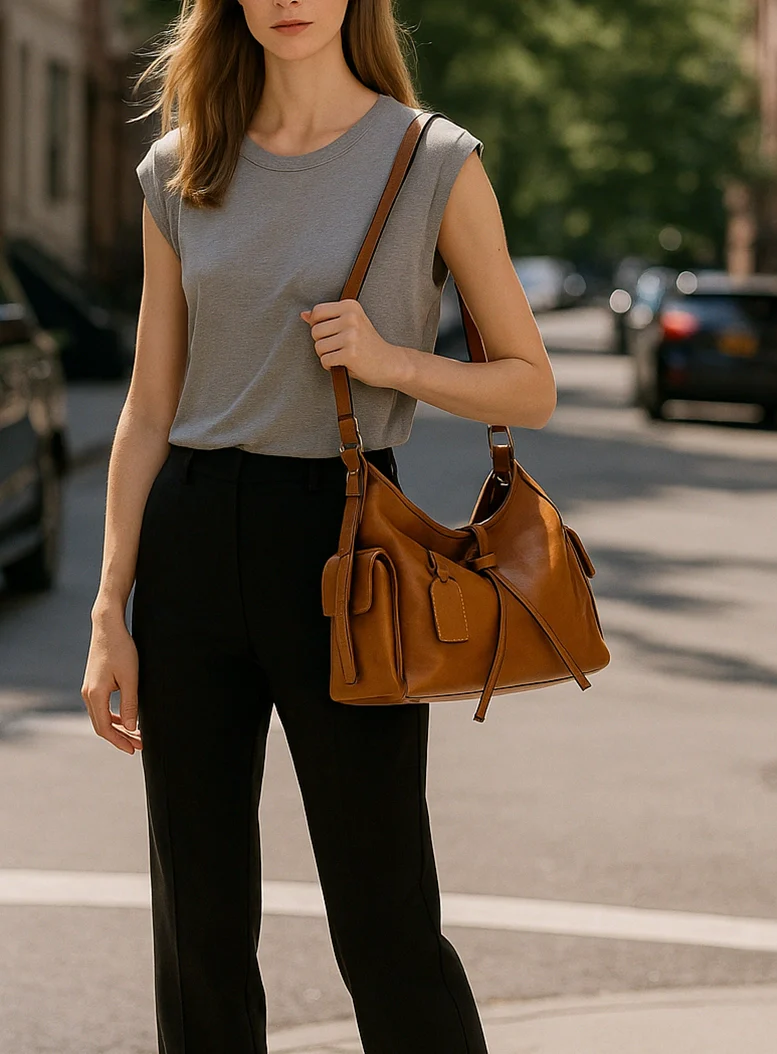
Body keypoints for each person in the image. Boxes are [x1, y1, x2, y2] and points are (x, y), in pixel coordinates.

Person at [80, 1, 556, 1051]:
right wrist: (112, 606)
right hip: (191, 546)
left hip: (348, 549)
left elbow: (530, 387)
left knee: (384, 920)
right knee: (196, 928)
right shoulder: (181, 166)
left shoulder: (430, 158)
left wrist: (391, 364)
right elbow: (149, 407)